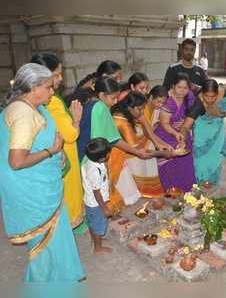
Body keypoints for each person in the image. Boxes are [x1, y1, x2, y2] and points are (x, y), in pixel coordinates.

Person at [0, 63, 85, 281]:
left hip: (44, 186)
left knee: (55, 244)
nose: (53, 90)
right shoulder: (23, 114)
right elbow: (16, 161)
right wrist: (52, 151)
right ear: (34, 87)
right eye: (49, 86)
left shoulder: (35, 107)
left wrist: (58, 154)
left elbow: (42, 137)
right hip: (34, 192)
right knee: (44, 250)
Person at [77, 77, 152, 213]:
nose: (116, 101)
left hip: (83, 155)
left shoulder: (90, 104)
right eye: (113, 98)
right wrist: (137, 153)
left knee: (90, 189)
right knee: (98, 189)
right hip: (95, 158)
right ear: (101, 95)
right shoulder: (101, 108)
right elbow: (113, 139)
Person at [31, 53, 85, 230]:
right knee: (67, 200)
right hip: (63, 155)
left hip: (50, 157)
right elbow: (70, 135)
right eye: (56, 75)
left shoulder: (35, 101)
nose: (61, 79)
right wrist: (76, 119)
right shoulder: (51, 102)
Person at [109, 92, 168, 202]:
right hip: (118, 158)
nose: (142, 112)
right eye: (140, 109)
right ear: (129, 107)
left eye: (143, 109)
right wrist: (163, 154)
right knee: (129, 195)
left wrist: (158, 144)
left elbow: (146, 126)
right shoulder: (121, 121)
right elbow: (137, 150)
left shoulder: (126, 113)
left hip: (130, 151)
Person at [187, 79, 226, 186]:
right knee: (199, 160)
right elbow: (187, 123)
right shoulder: (198, 102)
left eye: (213, 96)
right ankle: (198, 183)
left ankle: (212, 184)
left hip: (217, 131)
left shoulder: (224, 95)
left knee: (214, 158)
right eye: (207, 96)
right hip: (201, 131)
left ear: (217, 94)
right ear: (202, 94)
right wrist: (182, 134)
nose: (209, 100)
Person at [155, 72, 197, 192]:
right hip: (166, 132)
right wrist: (176, 133)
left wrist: (185, 122)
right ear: (173, 86)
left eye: (185, 88)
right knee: (174, 150)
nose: (182, 91)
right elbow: (164, 123)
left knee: (186, 150)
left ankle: (186, 188)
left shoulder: (189, 97)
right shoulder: (167, 100)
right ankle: (170, 188)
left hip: (182, 130)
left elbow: (191, 115)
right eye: (179, 87)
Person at [81, 137, 113, 255]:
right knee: (98, 225)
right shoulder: (94, 171)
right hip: (96, 204)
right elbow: (96, 192)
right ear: (102, 158)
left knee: (92, 222)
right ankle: (98, 248)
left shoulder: (90, 160)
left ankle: (95, 240)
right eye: (109, 153)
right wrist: (104, 207)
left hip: (90, 201)